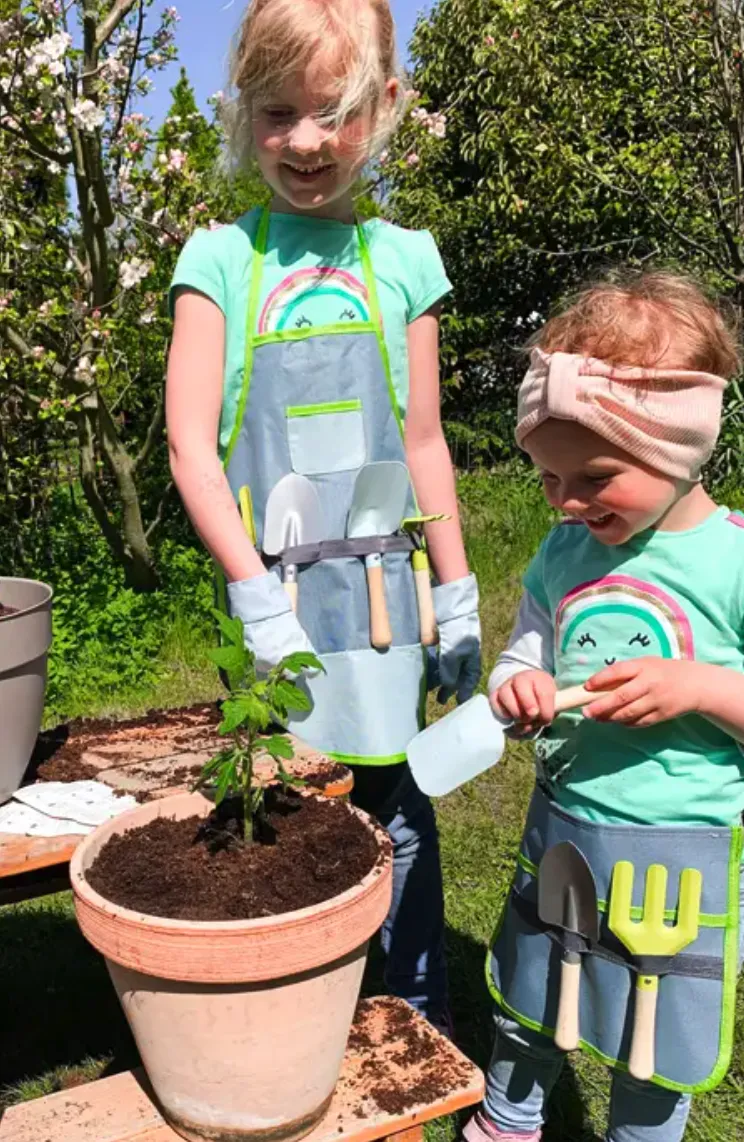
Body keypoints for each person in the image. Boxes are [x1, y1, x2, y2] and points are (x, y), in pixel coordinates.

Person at [165, 0, 481, 1031]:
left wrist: (460, 588)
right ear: (243, 113)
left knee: (397, 808)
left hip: (388, 605)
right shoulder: (219, 260)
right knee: (290, 815)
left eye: (336, 111)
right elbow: (189, 448)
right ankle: (297, 1019)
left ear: (385, 106)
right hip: (281, 608)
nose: (307, 141)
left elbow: (423, 442)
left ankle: (414, 1015)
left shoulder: (406, 260)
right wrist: (255, 596)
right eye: (279, 113)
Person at [463, 271, 744, 1142]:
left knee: (657, 1028)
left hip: (678, 843)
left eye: (593, 476)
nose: (567, 501)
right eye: (547, 478)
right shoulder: (563, 553)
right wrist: (519, 681)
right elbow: (531, 643)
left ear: (678, 451)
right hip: (566, 822)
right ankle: (511, 1115)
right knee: (536, 990)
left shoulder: (730, 565)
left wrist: (699, 689)